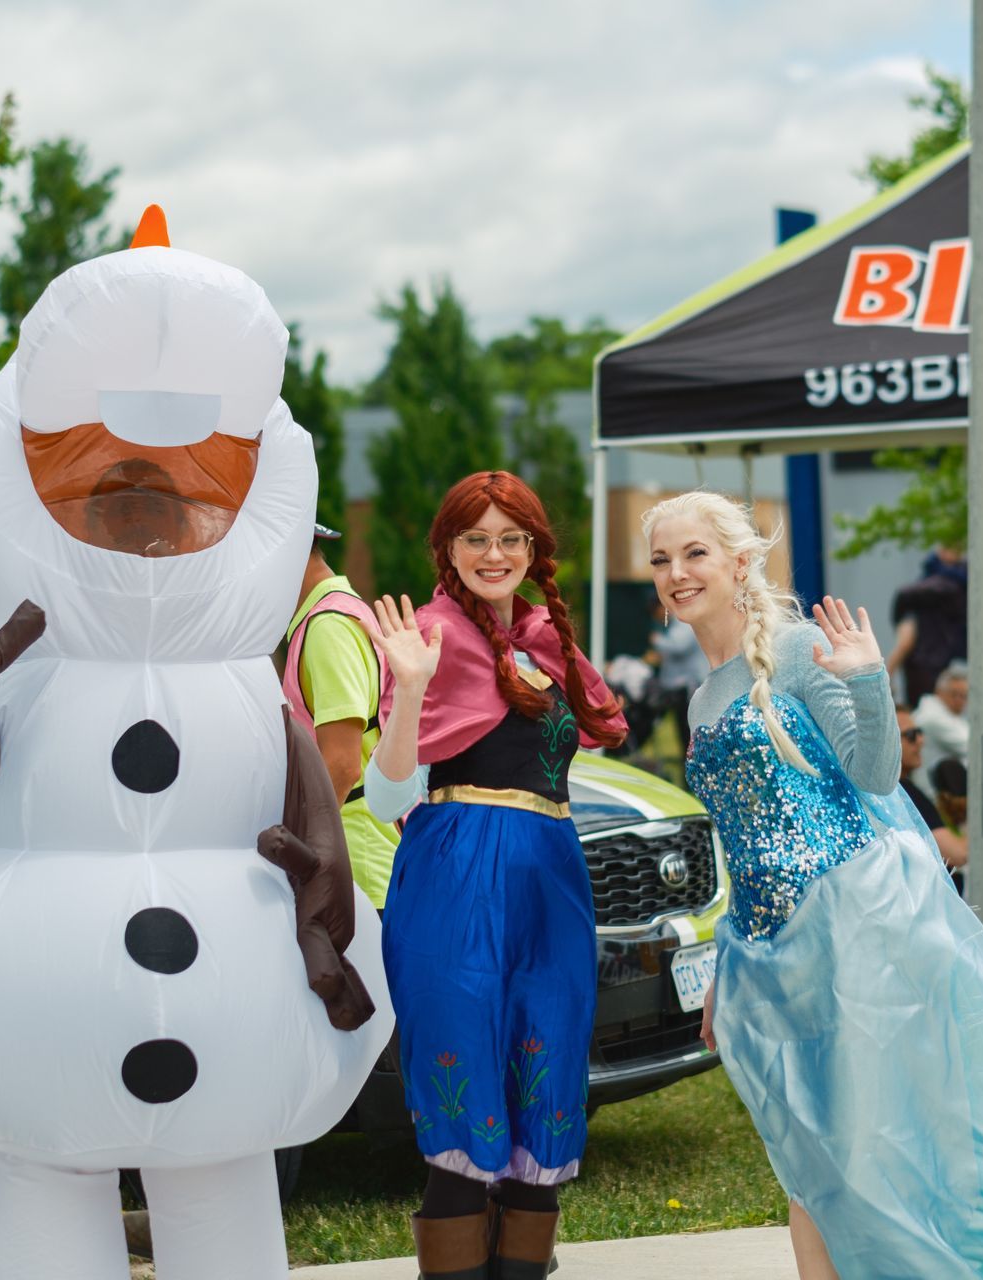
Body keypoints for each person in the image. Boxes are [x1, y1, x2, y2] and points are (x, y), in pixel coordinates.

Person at [642, 491, 983, 1279]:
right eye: (661, 560)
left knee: (878, 1149)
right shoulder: (701, 695)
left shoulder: (796, 652)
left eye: (693, 553)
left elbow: (873, 773)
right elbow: (740, 840)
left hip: (852, 929)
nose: (676, 573)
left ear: (739, 560)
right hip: (767, 954)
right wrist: (729, 962)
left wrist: (868, 681)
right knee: (807, 1159)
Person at [363, 471, 626, 1280]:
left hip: (550, 881)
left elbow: (593, 736)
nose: (494, 553)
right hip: (454, 877)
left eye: (511, 538)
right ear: (446, 548)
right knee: (462, 1095)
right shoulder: (428, 638)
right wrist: (409, 690)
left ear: (534, 549)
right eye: (475, 537)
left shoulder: (551, 639)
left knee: (541, 1098)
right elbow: (386, 796)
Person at [281, 523, 401, 908]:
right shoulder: (334, 613)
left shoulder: (328, 625)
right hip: (360, 861)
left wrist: (301, 856)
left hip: (355, 867)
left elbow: (343, 763)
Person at [886, 545, 966, 707]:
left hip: (933, 651)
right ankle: (886, 677)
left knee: (927, 702)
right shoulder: (947, 579)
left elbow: (904, 595)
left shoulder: (947, 579)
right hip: (930, 651)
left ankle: (886, 677)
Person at [896, 704, 966, 873]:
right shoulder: (903, 792)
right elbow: (957, 855)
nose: (921, 741)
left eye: (919, 732)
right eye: (910, 735)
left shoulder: (898, 790)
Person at [647, 597, 709, 753]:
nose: (658, 618)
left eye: (657, 613)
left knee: (687, 732)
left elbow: (678, 646)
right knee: (682, 733)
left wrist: (657, 641)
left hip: (689, 688)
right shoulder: (678, 623)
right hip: (681, 689)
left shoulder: (684, 621)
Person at [910, 661, 968, 794]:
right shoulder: (933, 717)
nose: (960, 701)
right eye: (954, 694)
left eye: (964, 696)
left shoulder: (946, 714)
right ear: (939, 692)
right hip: (933, 793)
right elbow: (973, 747)